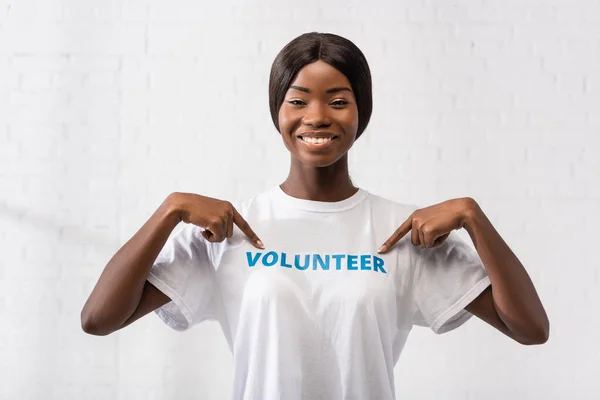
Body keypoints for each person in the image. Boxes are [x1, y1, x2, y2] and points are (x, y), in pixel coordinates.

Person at [81, 32, 549, 399]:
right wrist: (170, 210)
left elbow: (530, 329)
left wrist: (472, 216)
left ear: (360, 112)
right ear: (277, 111)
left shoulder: (404, 231)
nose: (318, 116)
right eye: (299, 100)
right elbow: (99, 319)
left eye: (339, 101)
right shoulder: (230, 228)